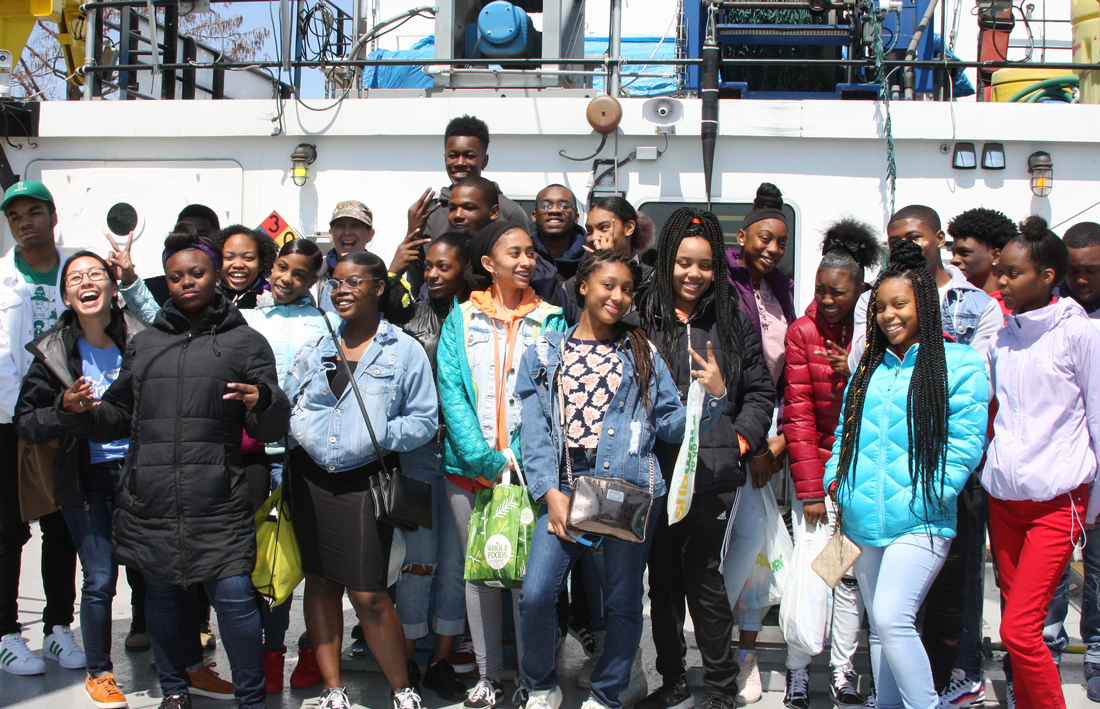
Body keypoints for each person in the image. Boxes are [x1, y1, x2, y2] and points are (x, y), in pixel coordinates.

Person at [58, 224, 290, 709]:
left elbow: (272, 424)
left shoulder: (246, 343)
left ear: (214, 277)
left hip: (218, 500)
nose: (187, 281)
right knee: (161, 600)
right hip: (152, 500)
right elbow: (119, 415)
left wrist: (263, 399)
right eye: (177, 275)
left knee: (233, 601)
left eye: (197, 273)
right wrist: (78, 412)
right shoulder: (144, 345)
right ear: (167, 281)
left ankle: (252, 700)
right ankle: (175, 691)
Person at [516, 248, 730, 709]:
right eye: (608, 285)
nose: (618, 296)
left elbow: (671, 424)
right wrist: (548, 492)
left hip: (628, 489)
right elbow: (532, 431)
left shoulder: (640, 350)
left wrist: (710, 399)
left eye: (627, 289)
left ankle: (609, 692)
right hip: (568, 488)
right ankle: (539, 685)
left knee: (622, 600)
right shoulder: (545, 351)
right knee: (536, 594)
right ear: (584, 287)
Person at [823, 238, 990, 709]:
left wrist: (927, 496)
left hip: (922, 520)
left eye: (900, 304)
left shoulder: (960, 364)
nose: (888, 315)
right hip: (861, 519)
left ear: (926, 307)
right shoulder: (868, 368)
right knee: (880, 625)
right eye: (880, 307)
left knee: (894, 617)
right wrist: (836, 480)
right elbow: (844, 433)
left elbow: (964, 447)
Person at [282, 250, 436, 709]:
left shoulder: (403, 349)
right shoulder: (318, 344)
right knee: (320, 582)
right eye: (336, 283)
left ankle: (403, 689)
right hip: (309, 479)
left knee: (369, 592)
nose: (342, 290)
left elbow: (425, 421)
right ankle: (334, 690)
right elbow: (289, 400)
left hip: (365, 482)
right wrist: (301, 429)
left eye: (353, 282)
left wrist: (379, 434)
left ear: (378, 287)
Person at [633, 209, 773, 709]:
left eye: (706, 265)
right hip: (654, 473)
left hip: (712, 475)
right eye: (684, 262)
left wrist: (736, 440)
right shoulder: (641, 317)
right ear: (668, 259)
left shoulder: (731, 318)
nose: (694, 274)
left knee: (704, 580)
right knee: (662, 580)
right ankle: (672, 680)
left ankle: (720, 690)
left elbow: (759, 391)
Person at [436, 220, 567, 709]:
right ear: (489, 264)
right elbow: (450, 388)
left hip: (529, 472)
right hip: (469, 471)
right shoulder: (461, 317)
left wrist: (519, 458)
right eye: (514, 253)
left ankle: (527, 677)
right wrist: (481, 458)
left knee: (524, 579)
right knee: (481, 573)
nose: (526, 261)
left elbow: (553, 397)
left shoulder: (552, 319)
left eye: (531, 253)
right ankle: (488, 678)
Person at [14, 252, 145, 707]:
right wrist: (63, 410)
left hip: (141, 475)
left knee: (161, 575)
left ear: (112, 287)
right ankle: (100, 672)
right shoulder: (52, 351)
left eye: (95, 275)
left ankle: (181, 664)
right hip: (85, 479)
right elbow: (27, 423)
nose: (86, 283)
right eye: (75, 278)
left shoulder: (143, 340)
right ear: (66, 296)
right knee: (100, 579)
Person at [982, 216, 1100, 709]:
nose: (1001, 281)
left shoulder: (1082, 335)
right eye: (1000, 272)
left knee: (1020, 629)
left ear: (1049, 276)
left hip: (1057, 502)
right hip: (1004, 503)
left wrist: (1094, 508)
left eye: (1012, 273)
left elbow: (1098, 419)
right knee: (1019, 634)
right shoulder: (1002, 339)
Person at [781, 219, 884, 709]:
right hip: (820, 483)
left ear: (860, 290)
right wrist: (810, 491)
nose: (826, 300)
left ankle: (843, 673)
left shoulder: (876, 335)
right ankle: (798, 672)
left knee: (845, 579)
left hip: (861, 484)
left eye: (837, 293)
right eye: (820, 290)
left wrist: (857, 366)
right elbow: (798, 417)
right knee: (811, 575)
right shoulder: (803, 333)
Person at [231, 238, 336, 694]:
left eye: (299, 274)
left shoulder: (328, 322)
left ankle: (312, 649)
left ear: (315, 281)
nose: (285, 279)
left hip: (308, 459)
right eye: (280, 267)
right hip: (256, 457)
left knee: (314, 561)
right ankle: (271, 654)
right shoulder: (248, 317)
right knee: (268, 562)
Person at [0, 180, 82, 677]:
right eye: (14, 217)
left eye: (33, 212)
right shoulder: (0, 278)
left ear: (53, 215)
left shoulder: (79, 268)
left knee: (63, 527)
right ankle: (7, 634)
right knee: (7, 531)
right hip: (9, 420)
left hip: (69, 415)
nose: (25, 222)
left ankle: (57, 628)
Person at [396, 233, 476, 702]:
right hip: (417, 453)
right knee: (418, 561)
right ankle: (404, 655)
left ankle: (440, 660)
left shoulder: (478, 317)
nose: (432, 274)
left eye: (444, 267)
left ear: (466, 269)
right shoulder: (407, 314)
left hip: (464, 454)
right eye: (428, 266)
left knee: (456, 563)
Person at [723, 182, 795, 705]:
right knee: (725, 556)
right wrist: (747, 439)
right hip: (732, 439)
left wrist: (782, 440)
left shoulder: (781, 290)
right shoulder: (724, 284)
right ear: (743, 235)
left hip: (771, 439)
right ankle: (712, 654)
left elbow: (786, 373)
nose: (771, 249)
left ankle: (746, 655)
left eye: (781, 242)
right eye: (764, 239)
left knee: (758, 562)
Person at [1043, 221, 1100, 703]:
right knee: (1057, 572)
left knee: (1098, 569)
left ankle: (1097, 654)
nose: (1082, 281)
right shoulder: (1055, 312)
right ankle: (1050, 653)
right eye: (1074, 272)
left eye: (1093, 272)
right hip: (1062, 466)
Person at [848, 205, 1003, 371]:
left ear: (940, 239)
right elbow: (856, 366)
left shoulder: (981, 306)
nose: (904, 246)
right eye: (895, 242)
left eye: (914, 238)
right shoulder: (871, 299)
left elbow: (981, 377)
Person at [396, 115, 532, 295]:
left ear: (484, 161)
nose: (460, 163)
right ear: (445, 158)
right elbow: (418, 279)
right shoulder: (431, 214)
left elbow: (524, 271)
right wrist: (412, 234)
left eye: (469, 156)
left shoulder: (510, 212)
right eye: (453, 156)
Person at [119, 224, 277, 320]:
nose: (238, 264)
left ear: (262, 261)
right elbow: (158, 319)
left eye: (248, 258)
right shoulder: (202, 296)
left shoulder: (274, 298)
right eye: (228, 257)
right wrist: (130, 281)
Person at [143, 204, 223, 306]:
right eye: (175, 277)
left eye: (198, 274)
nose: (187, 283)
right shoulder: (153, 291)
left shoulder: (236, 288)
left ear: (217, 277)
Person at [948, 207, 1018, 314]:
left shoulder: (1016, 309)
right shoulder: (949, 303)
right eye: (954, 253)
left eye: (965, 253)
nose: (954, 260)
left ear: (996, 256)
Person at [530, 184, 588, 281]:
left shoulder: (591, 259)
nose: (555, 210)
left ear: (576, 217)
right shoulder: (524, 257)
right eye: (546, 206)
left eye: (564, 206)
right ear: (534, 216)